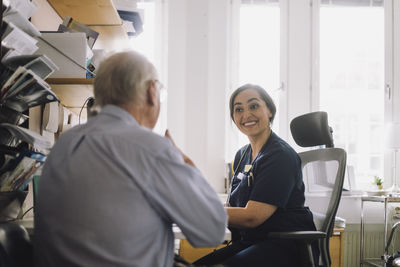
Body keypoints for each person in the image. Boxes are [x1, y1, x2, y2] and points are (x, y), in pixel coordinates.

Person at [34, 51, 227, 267]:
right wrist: (185, 163)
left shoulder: (63, 144)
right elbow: (213, 230)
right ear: (152, 92)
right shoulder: (151, 148)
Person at [194, 84, 317, 267]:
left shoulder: (280, 155)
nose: (246, 115)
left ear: (269, 111)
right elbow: (233, 209)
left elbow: (252, 217)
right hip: (250, 243)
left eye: (253, 106)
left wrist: (197, 210)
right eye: (238, 109)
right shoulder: (242, 155)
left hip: (284, 246)